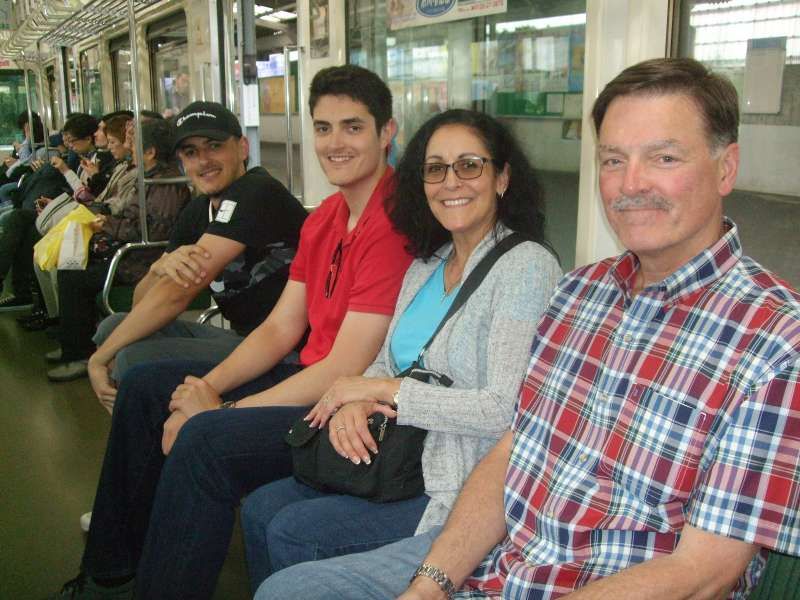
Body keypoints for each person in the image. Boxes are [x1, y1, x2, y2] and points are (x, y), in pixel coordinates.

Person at [258, 57, 800, 600]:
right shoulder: (580, 293)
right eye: (613, 160)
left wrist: (380, 392)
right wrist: (430, 585)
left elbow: (703, 573)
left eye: (663, 157)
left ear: (726, 167)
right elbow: (516, 448)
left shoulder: (775, 338)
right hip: (501, 559)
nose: (631, 184)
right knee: (288, 590)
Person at [50, 64, 414, 600]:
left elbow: (343, 369)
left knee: (203, 442)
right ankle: (108, 566)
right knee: (150, 388)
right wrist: (210, 386)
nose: (334, 143)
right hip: (303, 374)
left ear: (387, 132)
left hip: (344, 404)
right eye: (323, 127)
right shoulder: (326, 219)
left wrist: (218, 413)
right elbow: (281, 327)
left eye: (353, 127)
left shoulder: (394, 222)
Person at [242, 108, 562, 593]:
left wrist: (384, 391)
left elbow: (505, 409)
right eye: (435, 169)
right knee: (259, 506)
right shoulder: (426, 265)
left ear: (502, 178)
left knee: (293, 531)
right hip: (391, 456)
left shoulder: (526, 268)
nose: (451, 181)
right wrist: (357, 401)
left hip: (450, 482)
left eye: (469, 165)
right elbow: (389, 361)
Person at [83, 101, 307, 402]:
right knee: (114, 326)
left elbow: (179, 293)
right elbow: (141, 304)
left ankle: (164, 432)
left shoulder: (257, 191)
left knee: (131, 356)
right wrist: (157, 268)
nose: (203, 161)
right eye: (190, 153)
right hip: (244, 340)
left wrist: (98, 359)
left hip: (286, 352)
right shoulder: (198, 211)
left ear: (241, 148)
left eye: (214, 146)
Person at [46, 117, 191, 382]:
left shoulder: (165, 185)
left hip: (140, 261)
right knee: (74, 264)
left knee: (73, 277)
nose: (127, 147)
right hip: (130, 252)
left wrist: (107, 226)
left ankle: (78, 353)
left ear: (150, 152)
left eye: (131, 143)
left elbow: (151, 233)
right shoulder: (150, 177)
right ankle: (77, 343)